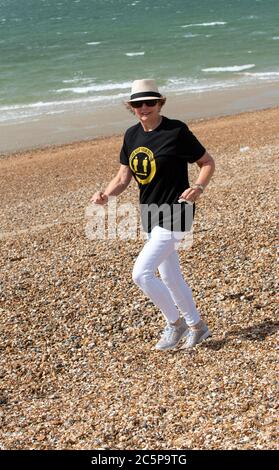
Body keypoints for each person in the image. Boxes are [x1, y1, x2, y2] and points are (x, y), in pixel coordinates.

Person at [91, 79, 215, 351]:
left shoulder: (176, 131)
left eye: (150, 102)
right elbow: (124, 177)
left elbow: (207, 162)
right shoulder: (131, 135)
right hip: (150, 212)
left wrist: (198, 187)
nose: (144, 107)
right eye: (138, 104)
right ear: (131, 107)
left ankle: (175, 323)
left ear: (160, 103)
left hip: (177, 211)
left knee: (141, 273)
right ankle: (198, 327)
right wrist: (106, 195)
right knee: (170, 277)